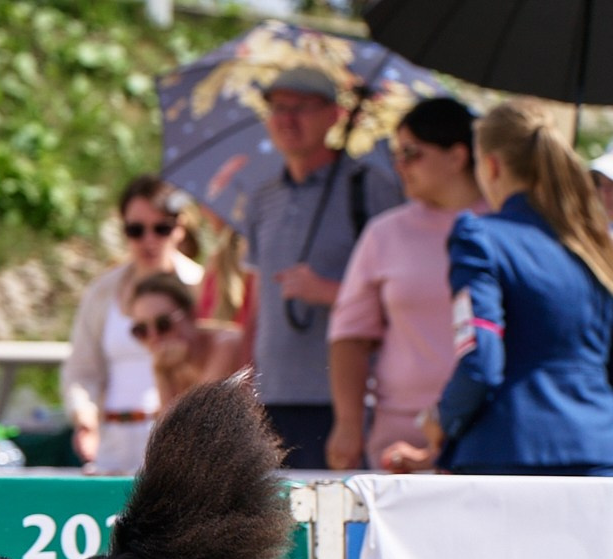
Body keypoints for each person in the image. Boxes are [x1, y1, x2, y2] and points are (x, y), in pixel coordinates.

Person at [383, 101, 613, 476]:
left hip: (507, 457)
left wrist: (442, 420)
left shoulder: (479, 236)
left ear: (490, 166)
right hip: (600, 454)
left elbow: (481, 360)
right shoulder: (595, 246)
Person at [240, 64, 404, 468]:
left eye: (302, 107)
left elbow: (402, 299)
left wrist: (330, 292)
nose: (287, 118)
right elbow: (254, 307)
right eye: (277, 107)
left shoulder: (370, 190)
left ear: (335, 115)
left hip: (345, 404)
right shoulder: (262, 198)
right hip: (270, 399)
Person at [327, 97, 485, 471]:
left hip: (487, 430)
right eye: (396, 153)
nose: (399, 165)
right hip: (400, 434)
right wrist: (348, 424)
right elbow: (349, 336)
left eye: (412, 153)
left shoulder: (508, 229)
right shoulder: (385, 233)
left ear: (457, 156)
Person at [62, 175, 205, 475]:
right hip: (112, 440)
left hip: (177, 440)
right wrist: (84, 418)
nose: (149, 240)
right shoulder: (103, 291)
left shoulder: (199, 286)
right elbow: (81, 369)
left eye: (161, 228)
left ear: (180, 228)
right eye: (136, 230)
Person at [129, 273, 245, 412]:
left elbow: (201, 417)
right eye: (141, 330)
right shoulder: (172, 364)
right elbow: (170, 430)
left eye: (163, 324)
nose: (154, 337)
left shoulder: (226, 344)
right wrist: (161, 373)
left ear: (191, 315)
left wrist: (161, 373)